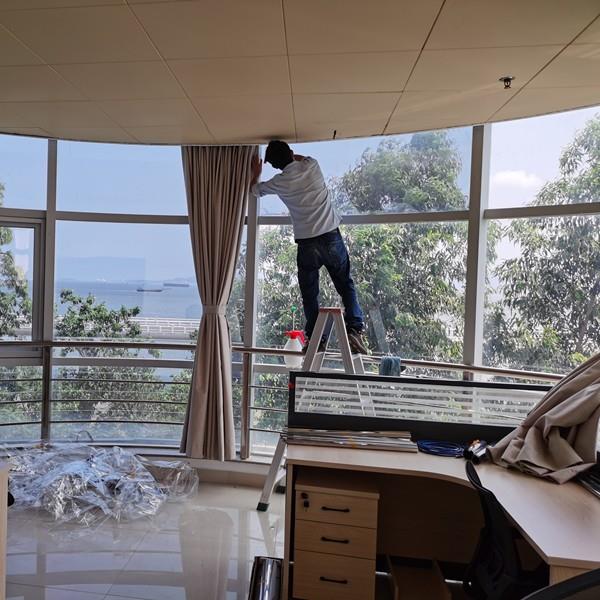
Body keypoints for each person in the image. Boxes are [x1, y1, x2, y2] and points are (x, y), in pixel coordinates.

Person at [250, 140, 367, 354]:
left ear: (275, 166)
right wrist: (290, 155)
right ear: (291, 152)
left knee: (310, 294)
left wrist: (256, 173)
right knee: (345, 284)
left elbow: (255, 190)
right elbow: (300, 158)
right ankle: (354, 330)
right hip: (330, 236)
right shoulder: (312, 165)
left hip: (306, 243)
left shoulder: (279, 182)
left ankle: (316, 338)